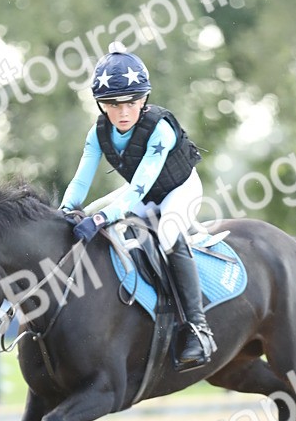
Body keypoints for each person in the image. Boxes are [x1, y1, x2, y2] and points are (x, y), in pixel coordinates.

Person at [60, 42, 217, 367]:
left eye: (131, 102)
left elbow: (138, 189)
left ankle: (198, 328)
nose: (123, 112)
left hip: (180, 190)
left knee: (167, 234)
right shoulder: (97, 133)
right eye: (112, 104)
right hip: (141, 193)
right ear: (102, 105)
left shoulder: (160, 129)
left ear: (144, 99)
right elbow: (80, 183)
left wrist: (103, 217)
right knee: (83, 217)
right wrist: (65, 211)